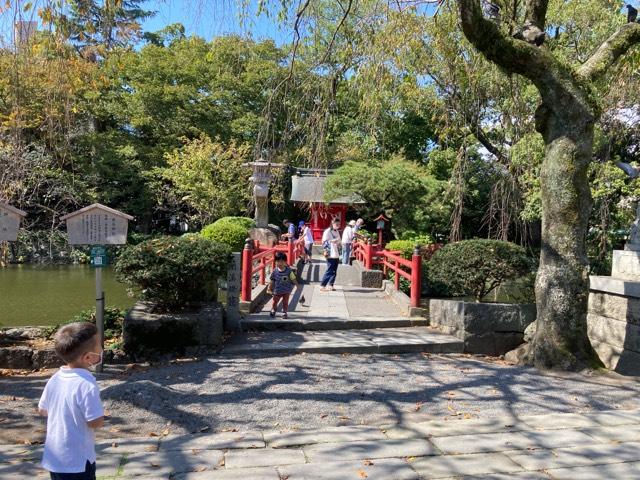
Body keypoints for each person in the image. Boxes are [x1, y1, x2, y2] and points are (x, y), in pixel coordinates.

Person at [38, 322, 105, 480]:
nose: (102, 349)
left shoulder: (55, 378)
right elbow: (94, 422)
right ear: (88, 357)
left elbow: (42, 409)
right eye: (100, 345)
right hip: (78, 460)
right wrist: (101, 417)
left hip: (55, 457)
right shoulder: (87, 384)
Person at [267, 251, 299, 318]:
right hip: (277, 291)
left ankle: (284, 312)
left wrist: (297, 285)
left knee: (285, 302)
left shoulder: (289, 271)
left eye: (282, 261)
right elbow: (272, 280)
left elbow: (293, 278)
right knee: (275, 301)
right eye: (278, 261)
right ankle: (273, 309)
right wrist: (269, 288)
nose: (280, 263)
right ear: (275, 261)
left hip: (286, 290)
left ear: (285, 262)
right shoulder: (275, 271)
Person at [320, 218, 342, 291]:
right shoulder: (327, 231)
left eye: (339, 224)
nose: (338, 226)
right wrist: (325, 250)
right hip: (330, 252)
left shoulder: (337, 231)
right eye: (337, 224)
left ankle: (331, 285)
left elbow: (339, 241)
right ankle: (323, 285)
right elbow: (324, 241)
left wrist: (338, 243)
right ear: (332, 223)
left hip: (336, 252)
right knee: (330, 269)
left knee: (334, 270)